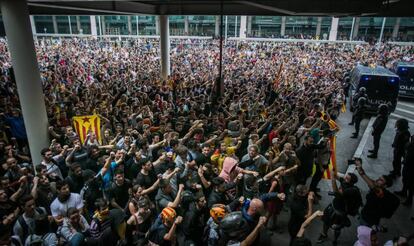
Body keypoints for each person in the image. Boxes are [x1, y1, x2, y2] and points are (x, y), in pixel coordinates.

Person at [317, 171, 362, 245]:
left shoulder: (350, 191)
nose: (344, 178)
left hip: (339, 213)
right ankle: (324, 234)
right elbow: (338, 177)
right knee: (326, 222)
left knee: (337, 228)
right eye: (345, 176)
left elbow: (336, 193)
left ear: (351, 182)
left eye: (347, 178)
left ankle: (335, 239)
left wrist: (333, 179)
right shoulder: (345, 182)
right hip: (333, 207)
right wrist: (334, 172)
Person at [356, 159, 400, 231]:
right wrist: (360, 168)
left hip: (368, 220)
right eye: (379, 178)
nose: (378, 180)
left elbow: (365, 177)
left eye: (381, 180)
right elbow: (368, 180)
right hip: (368, 216)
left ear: (385, 186)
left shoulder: (379, 192)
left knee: (364, 235)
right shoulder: (377, 188)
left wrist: (360, 168)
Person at [395, 134, 414, 206]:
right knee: (405, 179)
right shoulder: (411, 145)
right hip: (407, 165)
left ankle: (409, 200)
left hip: (411, 167)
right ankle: (404, 191)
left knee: (410, 184)